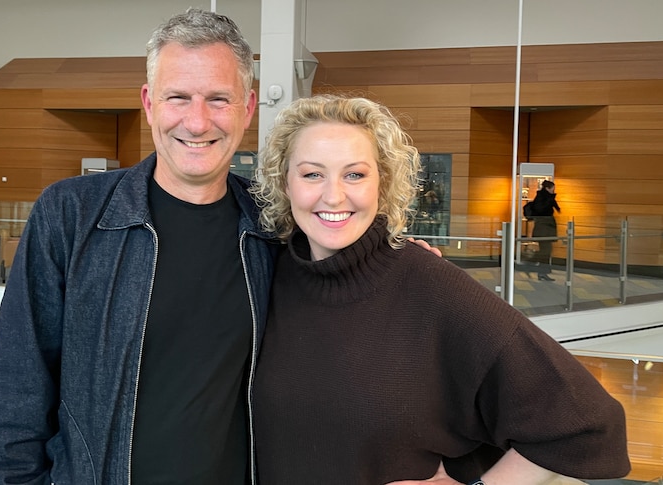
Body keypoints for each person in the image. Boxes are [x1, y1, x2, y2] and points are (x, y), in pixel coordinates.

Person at [250, 95, 630, 484]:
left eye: (355, 175)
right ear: (285, 183)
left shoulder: (433, 287)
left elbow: (587, 425)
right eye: (312, 174)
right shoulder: (264, 276)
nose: (333, 196)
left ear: (383, 182)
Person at [0, 9, 273, 484]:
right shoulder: (70, 215)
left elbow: (352, 283)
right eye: (179, 98)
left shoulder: (271, 225)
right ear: (150, 103)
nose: (198, 122)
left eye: (219, 99)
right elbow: (14, 397)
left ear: (248, 107)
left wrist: (407, 259)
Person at [530, 180, 561, 281]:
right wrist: (550, 199)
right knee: (546, 250)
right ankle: (538, 268)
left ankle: (541, 271)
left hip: (546, 228)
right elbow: (541, 209)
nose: (554, 190)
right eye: (552, 189)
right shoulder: (542, 198)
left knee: (546, 250)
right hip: (543, 228)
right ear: (547, 189)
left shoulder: (546, 197)